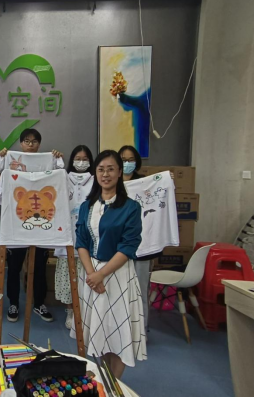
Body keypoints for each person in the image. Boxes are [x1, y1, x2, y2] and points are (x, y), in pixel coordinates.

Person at [71, 149, 146, 379]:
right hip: (91, 275)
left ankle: (114, 384)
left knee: (118, 332)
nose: (105, 174)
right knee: (99, 329)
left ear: (120, 172)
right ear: (95, 173)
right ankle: (104, 379)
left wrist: (101, 274)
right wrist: (92, 274)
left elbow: (128, 246)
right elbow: (81, 241)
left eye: (111, 169)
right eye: (101, 169)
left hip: (117, 274)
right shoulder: (87, 206)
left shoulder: (131, 207)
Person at [0, 128, 63, 323]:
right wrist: (3, 162)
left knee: (40, 267)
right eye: (27, 141)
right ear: (21, 144)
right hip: (17, 224)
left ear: (39, 144)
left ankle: (39, 303)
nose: (30, 144)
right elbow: (1, 195)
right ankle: (14, 303)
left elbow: (59, 183)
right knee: (14, 267)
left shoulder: (47, 162)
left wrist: (57, 161)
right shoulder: (12, 163)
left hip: (41, 224)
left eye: (34, 141)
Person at [118, 145, 172, 334]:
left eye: (131, 160)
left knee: (140, 290)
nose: (127, 163)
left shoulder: (144, 183)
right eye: (123, 159)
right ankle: (121, 330)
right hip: (117, 247)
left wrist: (167, 181)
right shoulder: (112, 183)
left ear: (137, 162)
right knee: (118, 291)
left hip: (142, 246)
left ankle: (141, 330)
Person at [55, 145, 95, 330]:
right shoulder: (62, 177)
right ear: (71, 160)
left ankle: (86, 312)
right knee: (68, 277)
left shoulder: (96, 180)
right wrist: (55, 161)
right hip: (67, 236)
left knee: (87, 276)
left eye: (85, 159)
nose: (81, 162)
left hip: (89, 239)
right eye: (78, 159)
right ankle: (70, 310)